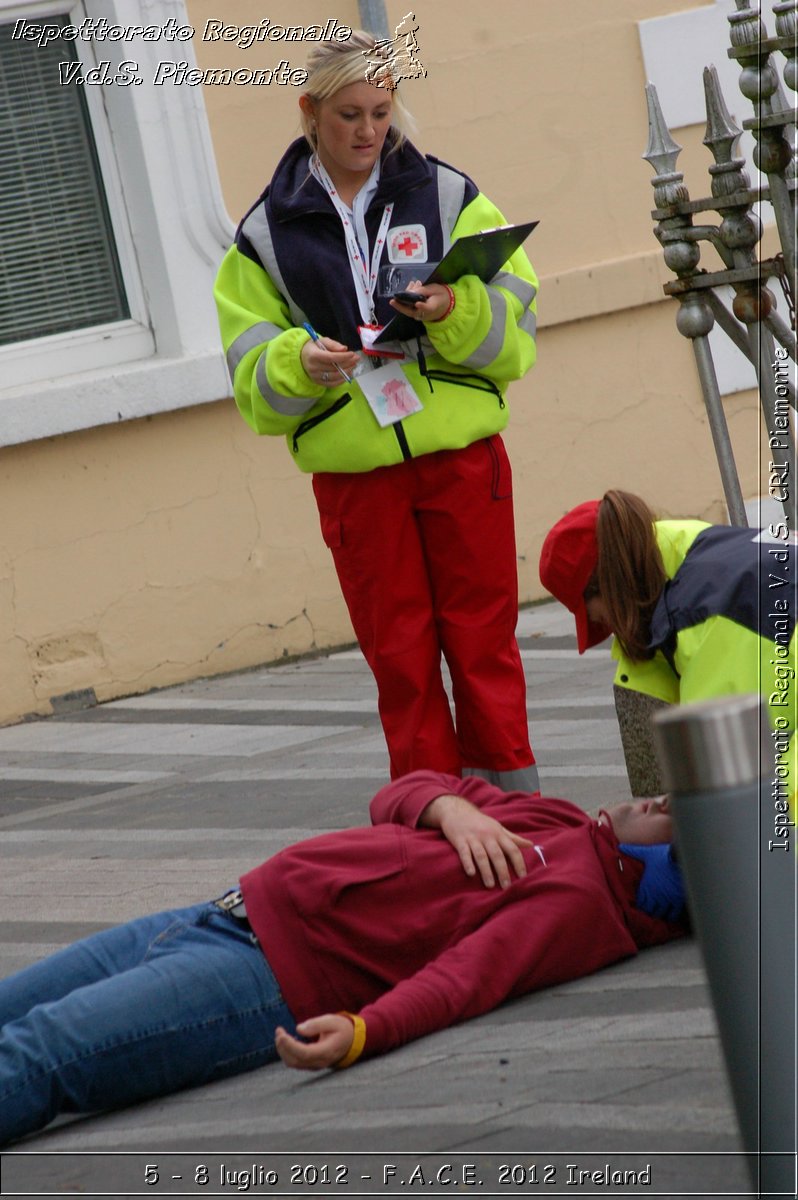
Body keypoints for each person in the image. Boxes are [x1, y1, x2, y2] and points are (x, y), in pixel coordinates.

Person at [0, 770, 686, 1146]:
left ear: (663, 868)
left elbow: (469, 977)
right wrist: (453, 809)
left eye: (674, 818)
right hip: (220, 913)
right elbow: (401, 790)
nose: (659, 799)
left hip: (257, 981)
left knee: (38, 1056)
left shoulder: (581, 901)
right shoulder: (561, 822)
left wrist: (366, 1030)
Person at [213, 31, 539, 791]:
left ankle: (519, 818)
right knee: (399, 659)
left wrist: (455, 309)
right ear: (310, 113)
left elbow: (517, 333)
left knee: (484, 646)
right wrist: (303, 363)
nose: (368, 132)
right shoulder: (261, 238)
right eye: (349, 115)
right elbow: (250, 381)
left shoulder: (453, 195)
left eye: (382, 113)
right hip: (358, 478)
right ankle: (436, 841)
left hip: (463, 461)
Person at [538, 489, 797, 803]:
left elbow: (728, 778)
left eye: (600, 619)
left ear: (611, 588)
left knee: (768, 819)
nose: (610, 631)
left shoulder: (706, 614)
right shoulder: (694, 548)